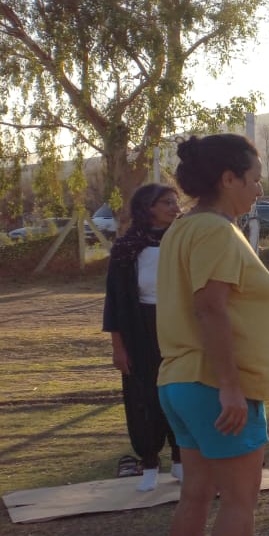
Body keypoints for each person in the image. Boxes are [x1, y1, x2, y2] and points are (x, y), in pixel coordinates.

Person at [156, 134, 269, 536]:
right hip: (213, 385)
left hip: (180, 382)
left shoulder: (183, 229)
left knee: (196, 493)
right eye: (253, 179)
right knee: (240, 503)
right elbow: (211, 308)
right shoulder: (216, 233)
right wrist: (231, 386)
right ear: (228, 179)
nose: (257, 189)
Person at [102, 184, 184, 491]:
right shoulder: (127, 248)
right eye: (166, 202)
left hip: (178, 325)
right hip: (140, 328)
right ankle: (149, 461)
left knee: (179, 390)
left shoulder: (183, 240)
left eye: (176, 201)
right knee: (142, 396)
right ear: (148, 207)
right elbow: (115, 303)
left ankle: (180, 458)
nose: (175, 207)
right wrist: (118, 347)